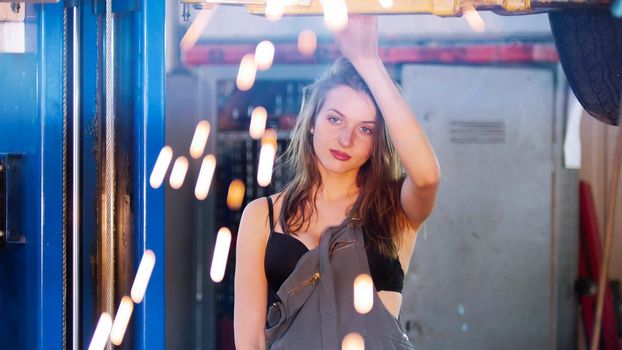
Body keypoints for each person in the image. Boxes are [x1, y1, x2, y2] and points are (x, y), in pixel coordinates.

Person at [234, 16, 440, 349]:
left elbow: (428, 177)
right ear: (312, 121)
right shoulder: (262, 215)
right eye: (334, 119)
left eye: (365, 128)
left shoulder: (395, 208)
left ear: (378, 141)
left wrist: (368, 62)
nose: (345, 139)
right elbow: (249, 343)